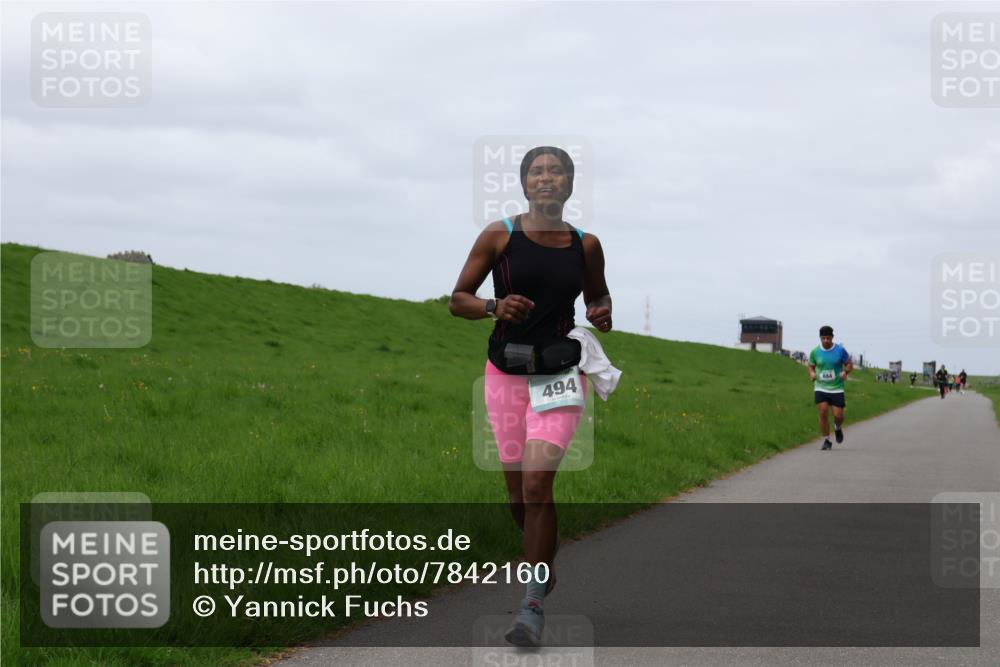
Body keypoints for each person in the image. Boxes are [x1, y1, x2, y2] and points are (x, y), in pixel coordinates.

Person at [449, 146, 613, 647]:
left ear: (568, 184)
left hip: (560, 374)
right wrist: (494, 305)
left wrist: (603, 311)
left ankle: (532, 603)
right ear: (524, 184)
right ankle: (543, 559)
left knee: (538, 484)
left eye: (556, 171)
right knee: (519, 495)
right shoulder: (499, 235)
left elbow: (597, 294)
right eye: (537, 171)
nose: (547, 178)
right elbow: (457, 300)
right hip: (505, 374)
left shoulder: (585, 244)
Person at [808, 326, 853, 450]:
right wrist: (812, 373)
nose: (826, 340)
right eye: (823, 338)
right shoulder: (815, 351)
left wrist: (845, 372)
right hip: (821, 387)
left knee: (838, 416)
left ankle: (837, 427)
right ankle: (826, 440)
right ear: (820, 338)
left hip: (837, 387)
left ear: (832, 337)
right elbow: (811, 365)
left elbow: (849, 364)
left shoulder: (840, 350)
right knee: (823, 412)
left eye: (828, 338)